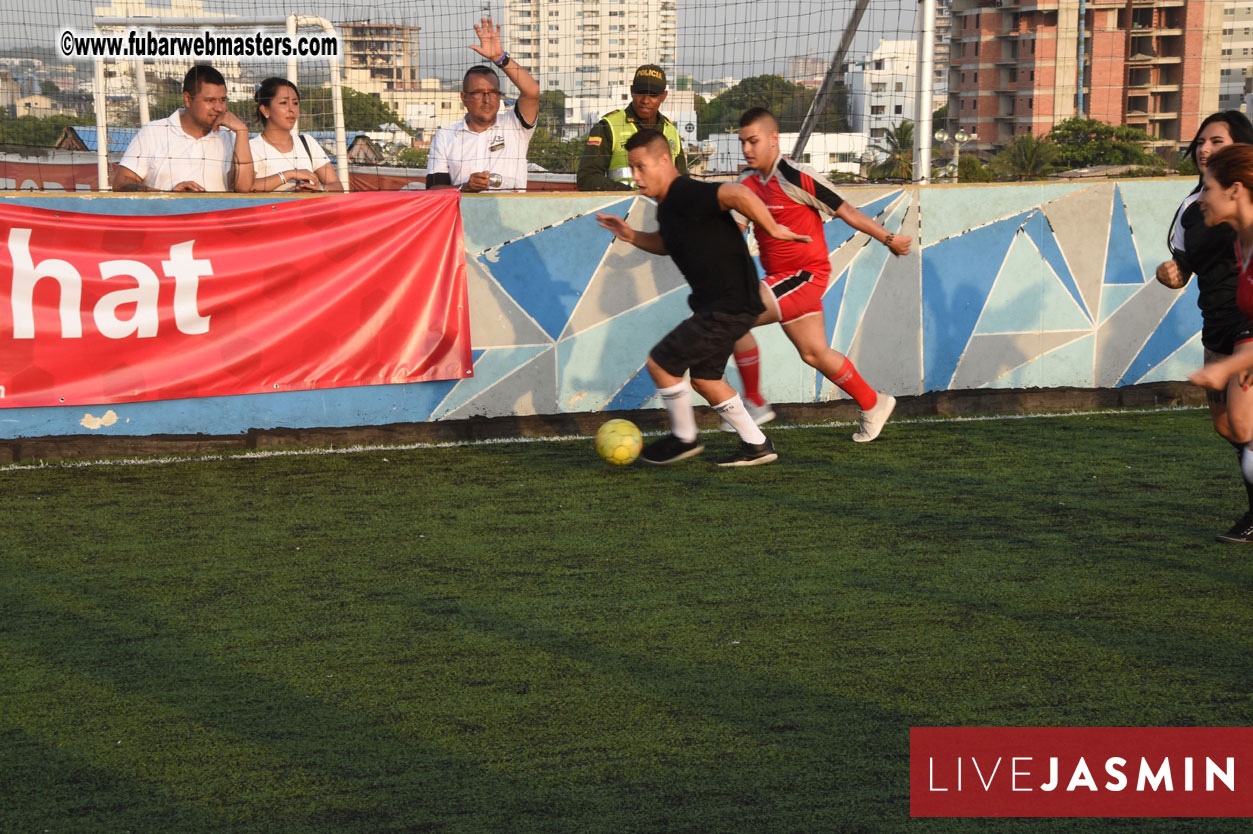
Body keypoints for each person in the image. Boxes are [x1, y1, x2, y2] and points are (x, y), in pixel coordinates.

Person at [594, 129, 811, 466]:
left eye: (641, 167)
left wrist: (772, 227)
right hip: (724, 305)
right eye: (632, 168)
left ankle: (684, 437)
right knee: (706, 379)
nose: (635, 176)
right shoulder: (667, 207)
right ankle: (757, 445)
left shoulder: (685, 192)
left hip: (727, 305)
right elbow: (668, 244)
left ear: (664, 161)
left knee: (661, 364)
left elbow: (738, 193)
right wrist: (630, 234)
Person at [724, 107, 912, 442]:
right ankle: (873, 403)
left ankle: (753, 401)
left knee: (731, 314)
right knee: (814, 353)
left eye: (753, 141)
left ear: (773, 139)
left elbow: (848, 211)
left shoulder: (797, 176)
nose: (747, 149)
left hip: (804, 276)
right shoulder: (746, 184)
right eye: (743, 143)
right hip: (781, 282)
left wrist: (888, 239)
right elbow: (733, 233)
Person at [1155, 112, 1253, 542]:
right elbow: (1185, 264)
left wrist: (1235, 363)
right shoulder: (1196, 210)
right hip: (1218, 323)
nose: (1204, 150)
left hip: (1244, 327)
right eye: (1200, 142)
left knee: (1246, 425)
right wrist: (1172, 272)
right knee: (1232, 428)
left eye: (1216, 141)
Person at [426, 17, 539, 192]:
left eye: (492, 93)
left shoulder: (515, 125)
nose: (487, 100)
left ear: (499, 96)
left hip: (512, 217)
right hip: (465, 216)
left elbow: (532, 91)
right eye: (478, 93)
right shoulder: (445, 137)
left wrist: (500, 58)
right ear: (464, 97)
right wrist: (465, 187)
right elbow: (433, 190)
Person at [111, 64, 254, 193]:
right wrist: (168, 195)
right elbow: (121, 182)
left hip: (215, 221)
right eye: (210, 100)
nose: (219, 108)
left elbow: (244, 187)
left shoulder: (230, 137)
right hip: (166, 219)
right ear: (188, 99)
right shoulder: (153, 132)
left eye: (223, 100)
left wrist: (242, 131)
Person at [577, 64, 688, 191]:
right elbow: (587, 178)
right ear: (631, 91)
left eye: (653, 95)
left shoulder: (671, 131)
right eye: (640, 92)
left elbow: (682, 179)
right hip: (621, 208)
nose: (645, 100)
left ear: (663, 96)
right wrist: (628, 193)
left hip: (662, 208)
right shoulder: (608, 127)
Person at [248, 77, 343, 193]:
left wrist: (319, 189)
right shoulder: (252, 148)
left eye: (295, 103)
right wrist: (288, 175)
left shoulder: (307, 142)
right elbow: (246, 187)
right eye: (283, 103)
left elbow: (336, 186)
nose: (291, 109)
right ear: (265, 110)